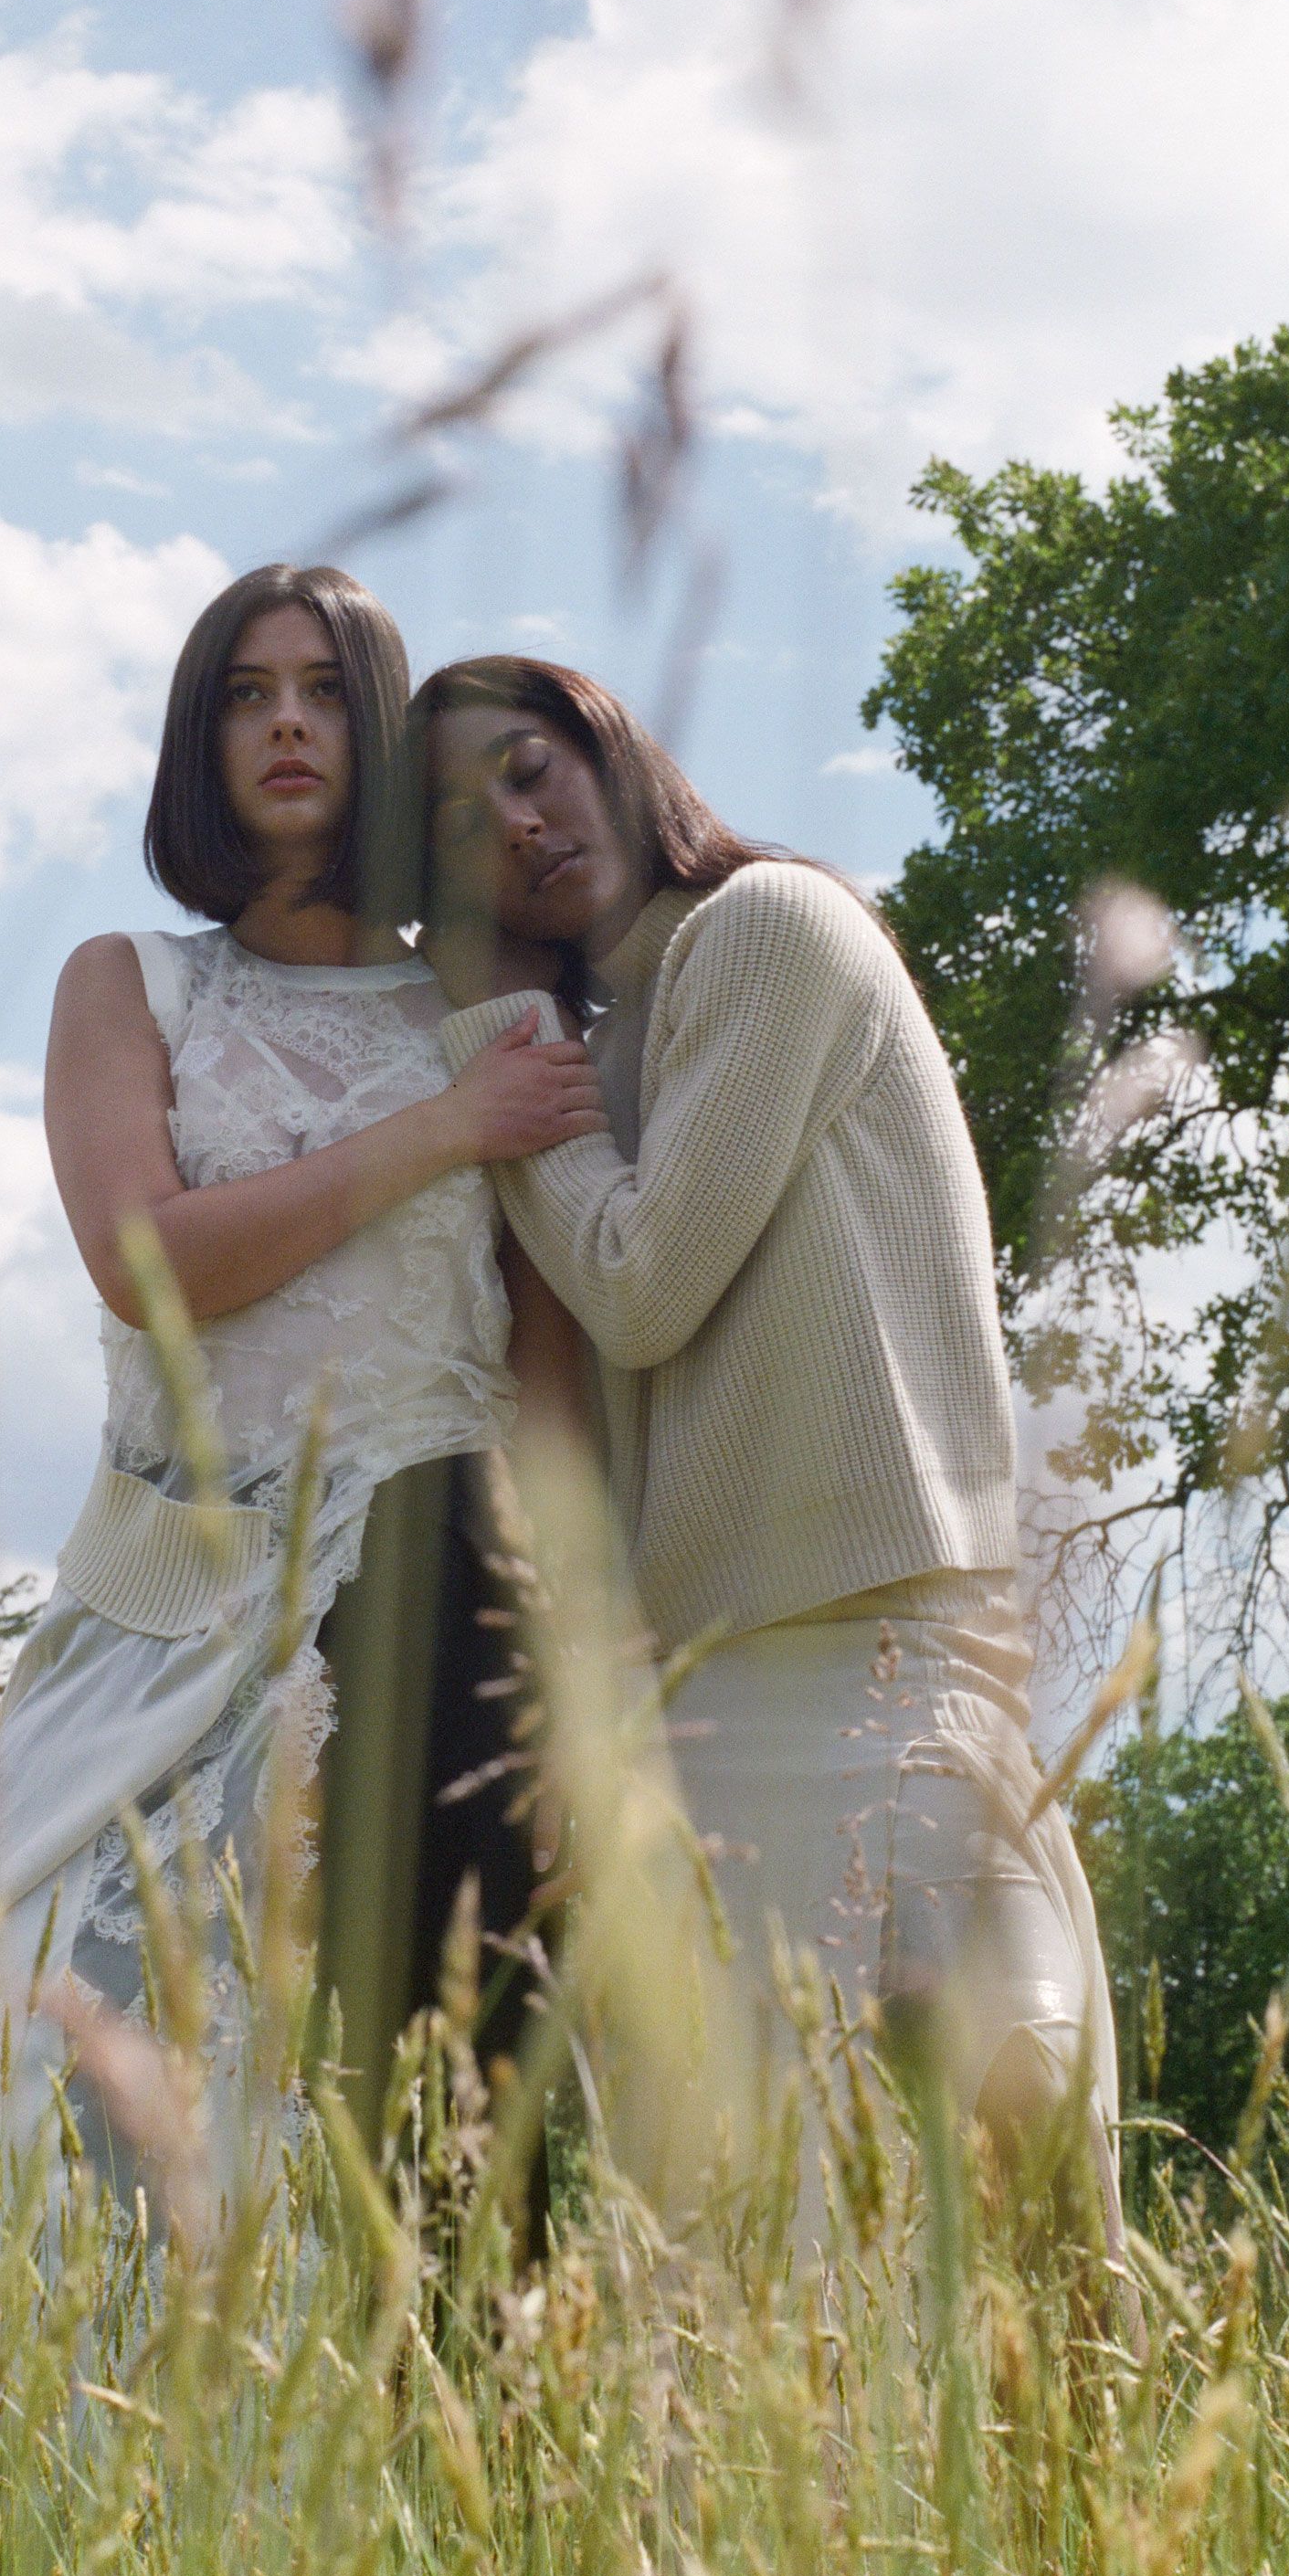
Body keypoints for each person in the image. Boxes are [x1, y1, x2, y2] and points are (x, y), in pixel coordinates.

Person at [0, 569, 597, 2242]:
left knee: (435, 2111)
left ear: (377, 727)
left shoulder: (494, 1007)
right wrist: (445, 1130)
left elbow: (546, 1372)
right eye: (247, 693)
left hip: (445, 1609)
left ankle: (431, 2476)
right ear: (199, 736)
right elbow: (145, 1263)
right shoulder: (134, 985)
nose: (290, 722)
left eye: (321, 689)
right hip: (171, 1599)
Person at [416, 655, 1123, 2242]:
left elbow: (645, 1282)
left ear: (613, 749)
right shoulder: (603, 1060)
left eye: (531, 768)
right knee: (755, 2307)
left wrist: (499, 1071)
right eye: (465, 822)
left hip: (872, 1676)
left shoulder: (775, 927)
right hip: (719, 1713)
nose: (517, 824)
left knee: (990, 2274)